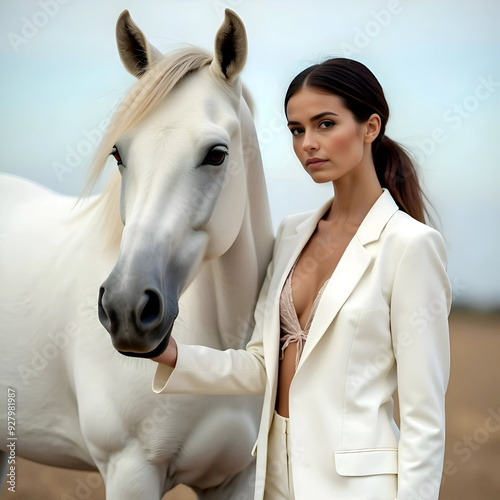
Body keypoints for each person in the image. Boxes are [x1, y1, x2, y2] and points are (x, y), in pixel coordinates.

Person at [151, 57, 451, 500]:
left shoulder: (410, 245)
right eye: (296, 129)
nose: (308, 143)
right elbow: (260, 365)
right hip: (273, 480)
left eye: (325, 124)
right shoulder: (293, 233)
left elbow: (424, 418)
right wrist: (169, 352)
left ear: (370, 127)